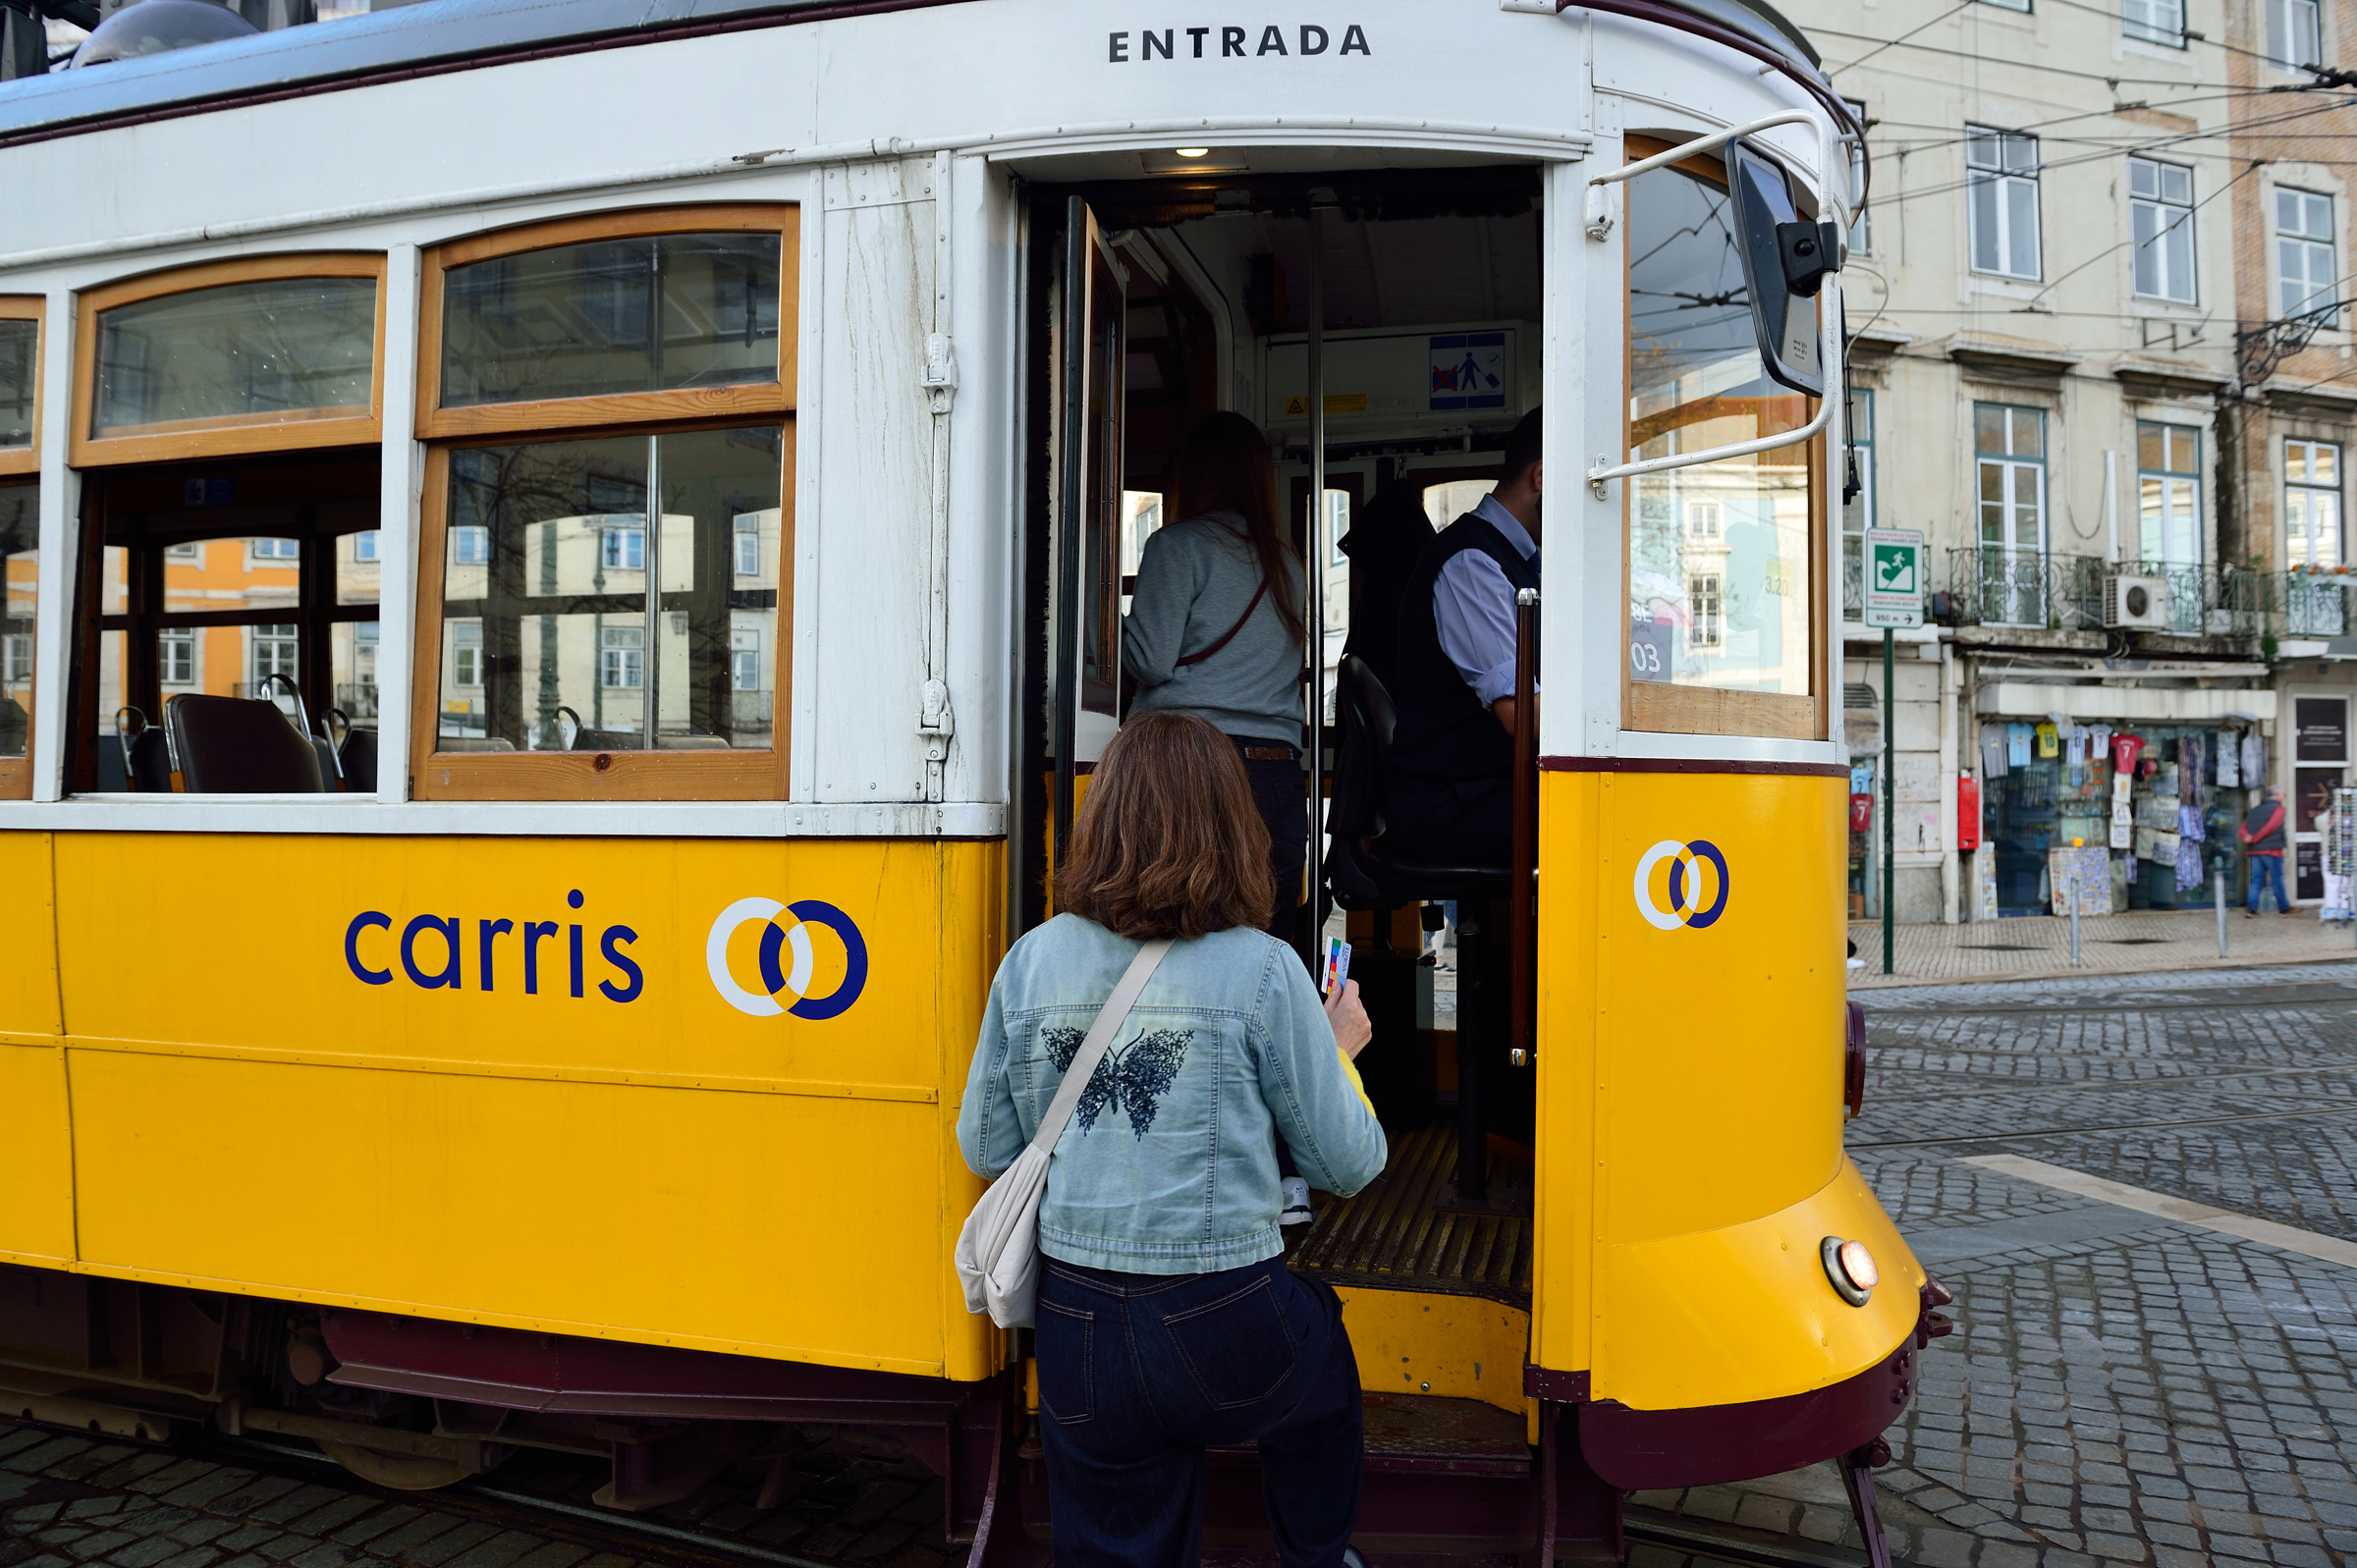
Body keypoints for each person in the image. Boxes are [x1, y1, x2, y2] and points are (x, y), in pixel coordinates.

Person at [959, 711, 1387, 1568]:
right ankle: (1317, 1557)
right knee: (1323, 1370)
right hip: (1228, 1318)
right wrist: (1338, 1055)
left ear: (1102, 822)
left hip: (1076, 1324)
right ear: (1233, 827)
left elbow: (986, 1146)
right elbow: (1348, 1161)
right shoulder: (1265, 968)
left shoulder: (1031, 960)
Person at [1124, 412, 1310, 947]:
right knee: (1266, 946)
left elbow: (1151, 660)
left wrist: (1100, 621)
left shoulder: (1178, 545)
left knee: (1183, 942)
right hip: (1277, 774)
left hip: (1193, 766)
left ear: (1194, 473)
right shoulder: (1287, 563)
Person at [1382, 407, 1542, 866]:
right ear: (1542, 477)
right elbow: (1520, 714)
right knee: (1593, 822)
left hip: (1479, 794)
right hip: (1446, 805)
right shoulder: (1472, 562)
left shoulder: (1517, 561)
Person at [2241, 784, 2290, 916]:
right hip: (2272, 851)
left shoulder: (2254, 810)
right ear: (2278, 795)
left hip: (2255, 851)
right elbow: (2271, 826)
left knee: (2256, 880)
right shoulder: (2279, 809)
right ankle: (2284, 908)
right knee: (2277, 880)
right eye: (2284, 795)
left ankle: (2251, 909)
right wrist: (2255, 838)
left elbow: (2243, 828)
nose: (2284, 797)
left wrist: (2246, 837)